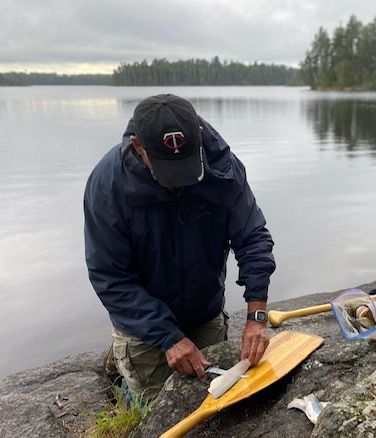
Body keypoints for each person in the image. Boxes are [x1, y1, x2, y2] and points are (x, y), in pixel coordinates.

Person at [84, 94, 276, 403]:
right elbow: (110, 277)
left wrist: (257, 317)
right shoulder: (108, 185)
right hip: (143, 327)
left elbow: (253, 237)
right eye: (167, 169)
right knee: (155, 409)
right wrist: (169, 338)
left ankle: (128, 363)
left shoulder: (223, 168)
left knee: (219, 401)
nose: (179, 182)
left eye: (185, 166)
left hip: (204, 311)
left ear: (197, 137)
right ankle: (123, 376)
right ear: (138, 147)